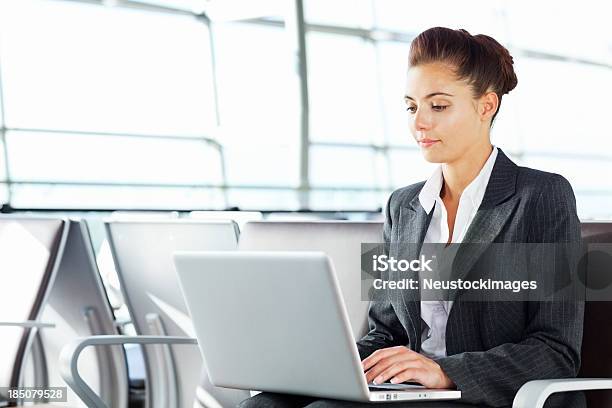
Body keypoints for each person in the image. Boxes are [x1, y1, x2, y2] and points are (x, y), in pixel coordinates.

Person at [239, 27, 585, 408]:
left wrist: (444, 371)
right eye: (411, 106)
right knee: (262, 404)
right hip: (408, 394)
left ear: (486, 106)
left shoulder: (540, 196)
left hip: (483, 397)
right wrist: (325, 364)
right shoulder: (401, 206)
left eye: (438, 106)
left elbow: (555, 351)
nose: (419, 123)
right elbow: (385, 332)